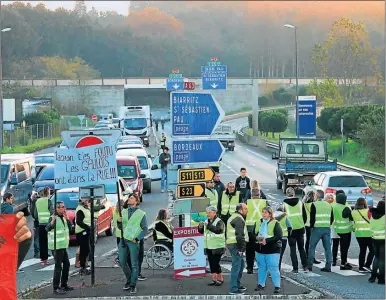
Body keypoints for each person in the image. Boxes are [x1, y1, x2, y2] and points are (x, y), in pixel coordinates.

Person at [117, 193, 148, 294]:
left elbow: (145, 229)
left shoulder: (141, 214)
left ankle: (132, 284)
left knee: (134, 264)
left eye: (131, 198)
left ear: (136, 201)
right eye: (129, 198)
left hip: (133, 241)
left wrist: (137, 238)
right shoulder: (124, 211)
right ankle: (130, 279)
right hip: (123, 239)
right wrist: (118, 222)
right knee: (122, 261)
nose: (129, 199)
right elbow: (121, 227)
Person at [45, 201, 74, 295]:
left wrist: (68, 219)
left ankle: (64, 284)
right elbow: (47, 228)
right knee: (58, 267)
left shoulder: (64, 217)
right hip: (56, 246)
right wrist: (52, 222)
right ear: (57, 209)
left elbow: (71, 228)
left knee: (67, 264)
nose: (64, 208)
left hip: (63, 245)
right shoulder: (53, 218)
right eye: (62, 207)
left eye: (64, 207)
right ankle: (56, 288)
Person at [254, 206, 282, 293]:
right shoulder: (258, 222)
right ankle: (261, 284)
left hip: (272, 249)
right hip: (260, 249)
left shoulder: (275, 223)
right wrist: (257, 238)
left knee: (273, 268)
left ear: (270, 214)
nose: (263, 214)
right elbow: (252, 234)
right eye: (262, 212)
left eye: (265, 212)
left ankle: (277, 286)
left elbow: (278, 236)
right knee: (261, 267)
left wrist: (267, 240)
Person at [306, 191, 334, 272]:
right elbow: (332, 218)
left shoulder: (314, 205)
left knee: (312, 247)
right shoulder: (329, 205)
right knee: (327, 248)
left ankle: (310, 265)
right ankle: (328, 265)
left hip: (317, 228)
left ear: (316, 196)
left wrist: (311, 227)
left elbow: (312, 218)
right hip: (326, 228)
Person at [198, 206, 226, 286]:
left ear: (214, 212)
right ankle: (214, 279)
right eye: (207, 213)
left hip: (217, 246)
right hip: (208, 246)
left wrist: (208, 225)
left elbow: (218, 230)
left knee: (215, 263)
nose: (208, 214)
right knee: (211, 263)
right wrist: (200, 226)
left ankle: (220, 278)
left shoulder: (219, 221)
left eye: (209, 213)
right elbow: (202, 232)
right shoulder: (206, 221)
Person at [283, 187, 308, 273]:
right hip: (300, 228)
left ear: (286, 194)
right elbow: (305, 216)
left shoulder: (284, 204)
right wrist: (302, 223)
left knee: (292, 249)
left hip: (290, 229)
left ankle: (295, 268)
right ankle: (305, 266)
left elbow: (283, 217)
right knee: (301, 248)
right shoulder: (300, 203)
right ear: (294, 193)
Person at [226, 203, 248, 295]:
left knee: (241, 265)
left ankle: (237, 285)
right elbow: (239, 235)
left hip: (233, 244)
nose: (247, 211)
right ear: (240, 210)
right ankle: (233, 288)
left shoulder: (234, 217)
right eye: (246, 209)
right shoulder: (238, 219)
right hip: (236, 245)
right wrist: (241, 248)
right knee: (236, 266)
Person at [245, 186, 268, 274]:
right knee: (261, 249)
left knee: (249, 250)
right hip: (260, 229)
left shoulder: (247, 202)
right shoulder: (264, 202)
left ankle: (249, 268)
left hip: (249, 229)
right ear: (259, 194)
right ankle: (262, 267)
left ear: (251, 195)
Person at [351, 197, 374, 272]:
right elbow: (372, 220)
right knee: (372, 250)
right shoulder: (368, 211)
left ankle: (361, 267)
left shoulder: (353, 212)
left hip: (359, 234)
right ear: (365, 203)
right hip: (369, 233)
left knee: (362, 250)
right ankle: (367, 265)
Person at [332, 193, 353, 270]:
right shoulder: (346, 207)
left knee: (335, 245)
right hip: (346, 230)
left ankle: (334, 261)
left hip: (336, 228)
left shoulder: (332, 206)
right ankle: (343, 264)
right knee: (344, 248)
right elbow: (352, 218)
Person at [35, 187, 53, 265]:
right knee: (51, 241)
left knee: (42, 242)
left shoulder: (38, 201)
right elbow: (52, 212)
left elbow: (35, 213)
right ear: (48, 193)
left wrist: (39, 219)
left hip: (41, 224)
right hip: (48, 224)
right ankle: (56, 257)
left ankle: (43, 259)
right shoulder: (49, 201)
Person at [369, 200, 385, 284]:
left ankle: (373, 276)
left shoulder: (373, 215)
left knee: (376, 258)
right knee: (382, 259)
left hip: (374, 238)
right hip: (383, 240)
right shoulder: (384, 217)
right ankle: (381, 279)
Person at [303, 190, 321, 265]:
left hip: (306, 224)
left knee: (307, 241)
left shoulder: (304, 203)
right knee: (312, 242)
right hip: (313, 224)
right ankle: (312, 257)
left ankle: (307, 256)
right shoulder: (314, 204)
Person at [75, 198, 91, 275]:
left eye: (87, 200)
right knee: (84, 250)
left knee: (86, 250)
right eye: (84, 200)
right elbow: (78, 221)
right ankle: (83, 267)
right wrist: (87, 227)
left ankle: (84, 266)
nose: (86, 201)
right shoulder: (80, 209)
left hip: (85, 231)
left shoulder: (85, 207)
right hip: (81, 232)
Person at [274, 203, 292, 275]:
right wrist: (289, 235)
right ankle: (277, 271)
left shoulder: (272, 215)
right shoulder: (285, 216)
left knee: (273, 255)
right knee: (280, 255)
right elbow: (290, 227)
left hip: (274, 238)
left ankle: (272, 271)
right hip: (283, 238)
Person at [325, 193, 340, 266]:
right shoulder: (327, 205)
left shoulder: (332, 205)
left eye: (332, 198)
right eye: (329, 198)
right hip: (329, 227)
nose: (330, 199)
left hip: (333, 227)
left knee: (334, 244)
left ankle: (333, 259)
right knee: (331, 244)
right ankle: (331, 259)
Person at [112, 199, 125, 265]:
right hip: (123, 233)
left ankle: (119, 258)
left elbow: (114, 221)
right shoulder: (122, 212)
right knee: (123, 247)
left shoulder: (115, 211)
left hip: (117, 232)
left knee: (119, 247)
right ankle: (119, 259)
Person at [30, 191, 40, 258]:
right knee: (38, 238)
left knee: (37, 238)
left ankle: (37, 253)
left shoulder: (34, 201)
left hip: (37, 222)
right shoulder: (36, 202)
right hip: (38, 221)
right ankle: (37, 253)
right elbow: (34, 213)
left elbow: (32, 211)